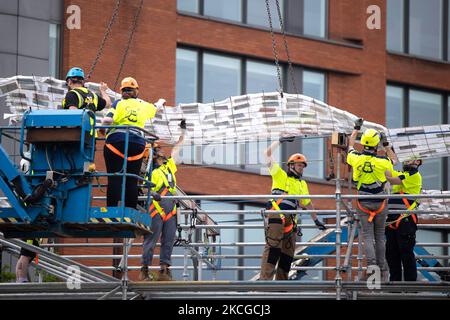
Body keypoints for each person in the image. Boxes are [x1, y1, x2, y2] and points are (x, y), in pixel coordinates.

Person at [259, 137, 326, 280]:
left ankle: (281, 287)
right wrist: (280, 141)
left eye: (303, 166)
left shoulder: (302, 184)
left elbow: (307, 203)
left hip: (291, 222)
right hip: (277, 215)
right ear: (291, 165)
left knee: (287, 255)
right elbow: (266, 154)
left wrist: (316, 220)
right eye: (299, 165)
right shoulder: (279, 175)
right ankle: (265, 282)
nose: (301, 168)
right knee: (273, 248)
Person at [347, 119, 396, 280]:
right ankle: (382, 267)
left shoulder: (356, 158)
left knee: (368, 236)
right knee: (380, 236)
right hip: (380, 202)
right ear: (376, 145)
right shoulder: (382, 162)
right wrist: (386, 144)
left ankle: (371, 265)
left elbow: (350, 145)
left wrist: (356, 128)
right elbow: (394, 159)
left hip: (363, 202)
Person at [101, 77, 161, 209]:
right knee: (131, 181)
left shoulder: (118, 103)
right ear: (136, 91)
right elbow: (156, 108)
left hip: (115, 143)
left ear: (122, 92)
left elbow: (107, 121)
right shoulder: (143, 105)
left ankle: (111, 210)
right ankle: (130, 211)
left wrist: (102, 130)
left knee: (114, 178)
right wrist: (161, 102)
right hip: (137, 144)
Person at [139, 120, 186, 281]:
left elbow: (177, 149)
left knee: (169, 240)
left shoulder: (168, 167)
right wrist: (152, 194)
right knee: (151, 240)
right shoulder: (151, 172)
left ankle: (164, 270)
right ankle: (144, 270)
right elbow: (144, 188)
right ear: (152, 154)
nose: (161, 151)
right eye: (158, 149)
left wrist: (183, 133)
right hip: (157, 207)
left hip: (170, 208)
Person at [385, 158, 422, 281]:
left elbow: (392, 179)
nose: (407, 161)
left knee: (406, 253)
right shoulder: (403, 173)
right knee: (391, 253)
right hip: (392, 219)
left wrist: (387, 173)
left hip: (406, 220)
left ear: (418, 162)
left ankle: (410, 285)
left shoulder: (414, 175)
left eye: (411, 159)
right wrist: (387, 161)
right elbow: (390, 171)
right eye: (406, 159)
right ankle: (395, 284)